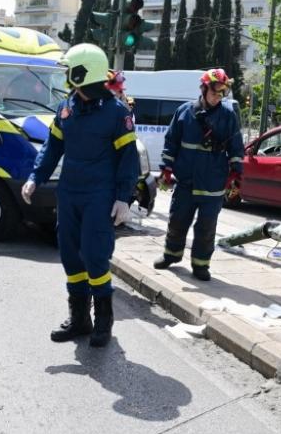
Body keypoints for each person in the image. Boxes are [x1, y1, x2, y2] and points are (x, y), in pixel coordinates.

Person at [22, 44, 139, 348]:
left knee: (95, 255)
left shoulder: (116, 112)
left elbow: (128, 158)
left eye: (68, 70)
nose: (65, 76)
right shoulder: (66, 108)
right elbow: (52, 148)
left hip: (99, 195)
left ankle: (103, 322)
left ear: (83, 72)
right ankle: (79, 320)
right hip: (70, 193)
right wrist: (36, 177)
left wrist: (124, 197)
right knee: (71, 254)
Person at [153, 68, 244, 281]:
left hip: (213, 183)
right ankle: (171, 255)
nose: (217, 97)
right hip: (186, 180)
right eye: (214, 92)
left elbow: (236, 148)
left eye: (222, 93)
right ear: (204, 89)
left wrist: (236, 174)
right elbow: (171, 141)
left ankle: (201, 264)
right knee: (177, 220)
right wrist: (166, 169)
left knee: (206, 227)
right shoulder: (184, 112)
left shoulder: (228, 116)